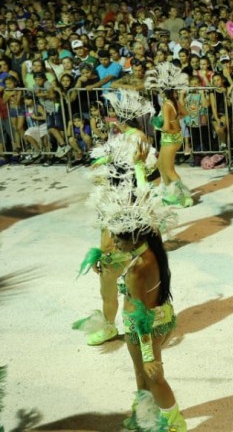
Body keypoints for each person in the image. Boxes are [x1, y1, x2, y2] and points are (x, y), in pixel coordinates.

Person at [89, 178, 184, 431]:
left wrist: (149, 355)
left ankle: (175, 424)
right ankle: (145, 418)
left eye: (118, 239)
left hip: (143, 329)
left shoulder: (136, 272)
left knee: (153, 379)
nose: (114, 243)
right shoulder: (151, 247)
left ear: (133, 237)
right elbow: (123, 255)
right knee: (144, 377)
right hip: (163, 318)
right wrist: (102, 259)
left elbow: (142, 315)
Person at [76, 88, 156, 347]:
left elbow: (144, 172)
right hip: (117, 203)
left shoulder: (137, 139)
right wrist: (103, 163)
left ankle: (137, 327)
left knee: (127, 278)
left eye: (113, 115)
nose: (110, 119)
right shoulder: (122, 139)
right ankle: (114, 326)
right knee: (112, 281)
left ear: (122, 117)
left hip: (129, 209)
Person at [145, 63, 193, 207]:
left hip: (170, 139)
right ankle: (169, 192)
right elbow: (185, 113)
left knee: (169, 170)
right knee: (160, 165)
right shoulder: (174, 101)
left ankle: (184, 197)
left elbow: (166, 127)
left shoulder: (166, 105)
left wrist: (157, 124)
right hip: (174, 138)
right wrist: (174, 120)